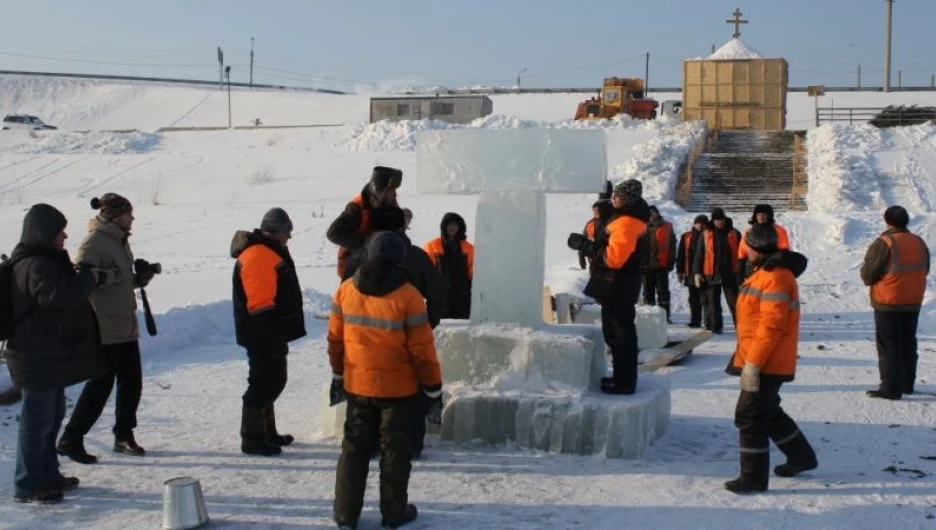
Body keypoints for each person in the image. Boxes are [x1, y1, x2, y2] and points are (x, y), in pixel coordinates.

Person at [328, 232, 443, 529]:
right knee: (395, 451)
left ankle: (345, 513)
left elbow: (335, 340)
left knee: (354, 450)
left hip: (358, 386)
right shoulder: (410, 297)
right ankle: (393, 513)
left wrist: (338, 374)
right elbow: (423, 351)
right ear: (399, 259)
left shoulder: (345, 291)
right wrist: (433, 388)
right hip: (399, 391)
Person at [6, 204, 104, 504]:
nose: (64, 236)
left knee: (51, 418)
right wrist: (88, 279)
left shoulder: (44, 261)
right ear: (44, 233)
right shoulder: (36, 264)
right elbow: (58, 298)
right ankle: (27, 484)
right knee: (36, 423)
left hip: (47, 356)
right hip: (34, 359)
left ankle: (47, 474)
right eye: (59, 231)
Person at [57, 194, 157, 463]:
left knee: (131, 383)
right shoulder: (94, 243)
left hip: (123, 323)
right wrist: (118, 276)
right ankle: (71, 437)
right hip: (104, 326)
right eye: (128, 214)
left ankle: (123, 435)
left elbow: (117, 281)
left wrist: (139, 279)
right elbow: (86, 280)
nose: (132, 218)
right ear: (113, 215)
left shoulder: (118, 241)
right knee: (100, 385)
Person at [342, 207, 447, 458]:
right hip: (404, 340)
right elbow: (437, 292)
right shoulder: (416, 257)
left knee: (365, 394)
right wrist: (426, 323)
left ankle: (368, 444)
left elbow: (343, 297)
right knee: (406, 395)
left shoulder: (358, 257)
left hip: (361, 345)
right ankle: (406, 445)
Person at [725, 224, 817, 493]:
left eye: (746, 247)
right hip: (763, 357)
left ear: (754, 248)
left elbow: (772, 326)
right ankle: (802, 457)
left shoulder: (775, 277)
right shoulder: (765, 273)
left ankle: (753, 478)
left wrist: (753, 364)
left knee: (749, 416)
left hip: (766, 361)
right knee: (768, 411)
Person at [231, 208, 307, 456]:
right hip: (261, 333)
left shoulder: (267, 251)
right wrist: (274, 338)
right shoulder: (259, 256)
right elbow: (260, 304)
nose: (289, 237)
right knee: (262, 383)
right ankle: (252, 438)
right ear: (274, 232)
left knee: (272, 380)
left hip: (266, 331)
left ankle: (267, 432)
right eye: (287, 232)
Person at [567, 179, 649, 395]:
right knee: (618, 333)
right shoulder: (628, 219)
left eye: (618, 196)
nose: (615, 198)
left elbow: (614, 260)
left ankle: (624, 382)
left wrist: (585, 245)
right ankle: (622, 378)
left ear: (627, 199)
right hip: (618, 287)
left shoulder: (627, 224)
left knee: (620, 334)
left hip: (617, 287)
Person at [860, 205, 930, 400]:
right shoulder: (919, 242)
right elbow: (925, 268)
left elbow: (868, 274)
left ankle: (891, 389)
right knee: (908, 342)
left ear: (887, 221)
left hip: (888, 301)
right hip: (913, 300)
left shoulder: (884, 243)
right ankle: (907, 385)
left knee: (889, 345)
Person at [327, 166, 403, 278]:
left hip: (384, 267)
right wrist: (369, 243)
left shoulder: (390, 204)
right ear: (380, 191)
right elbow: (334, 233)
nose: (395, 194)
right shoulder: (356, 208)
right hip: (355, 270)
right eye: (391, 190)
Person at [693, 207, 741, 334]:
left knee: (735, 303)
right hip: (711, 274)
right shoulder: (705, 234)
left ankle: (741, 326)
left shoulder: (734, 233)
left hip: (730, 273)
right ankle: (716, 327)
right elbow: (699, 255)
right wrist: (697, 272)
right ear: (713, 221)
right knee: (713, 304)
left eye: (721, 219)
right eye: (716, 220)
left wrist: (740, 272)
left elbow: (742, 254)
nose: (719, 222)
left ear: (725, 219)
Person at [424, 212, 475, 319]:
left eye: (455, 225)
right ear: (444, 227)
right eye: (449, 224)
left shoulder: (468, 248)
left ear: (460, 227)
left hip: (462, 298)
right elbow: (426, 272)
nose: (452, 227)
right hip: (440, 298)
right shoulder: (432, 246)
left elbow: (472, 272)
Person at [738, 204, 790, 281]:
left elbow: (784, 251)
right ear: (755, 216)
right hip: (751, 271)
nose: (761, 217)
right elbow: (742, 252)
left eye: (764, 215)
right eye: (758, 215)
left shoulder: (779, 230)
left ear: (769, 216)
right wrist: (740, 274)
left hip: (771, 270)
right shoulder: (748, 231)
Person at [642, 205, 676, 323]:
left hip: (661, 265)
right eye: (649, 212)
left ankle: (664, 317)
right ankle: (649, 317)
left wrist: (671, 261)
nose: (651, 214)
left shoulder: (667, 226)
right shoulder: (641, 226)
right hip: (646, 266)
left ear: (657, 213)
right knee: (647, 292)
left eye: (653, 212)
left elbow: (672, 245)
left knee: (663, 292)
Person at [677, 215, 708, 328]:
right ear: (694, 224)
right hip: (690, 272)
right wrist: (680, 271)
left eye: (703, 223)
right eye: (698, 223)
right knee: (693, 299)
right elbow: (680, 254)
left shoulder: (709, 235)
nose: (700, 225)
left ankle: (708, 321)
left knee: (705, 299)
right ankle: (695, 321)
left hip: (705, 272)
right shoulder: (686, 236)